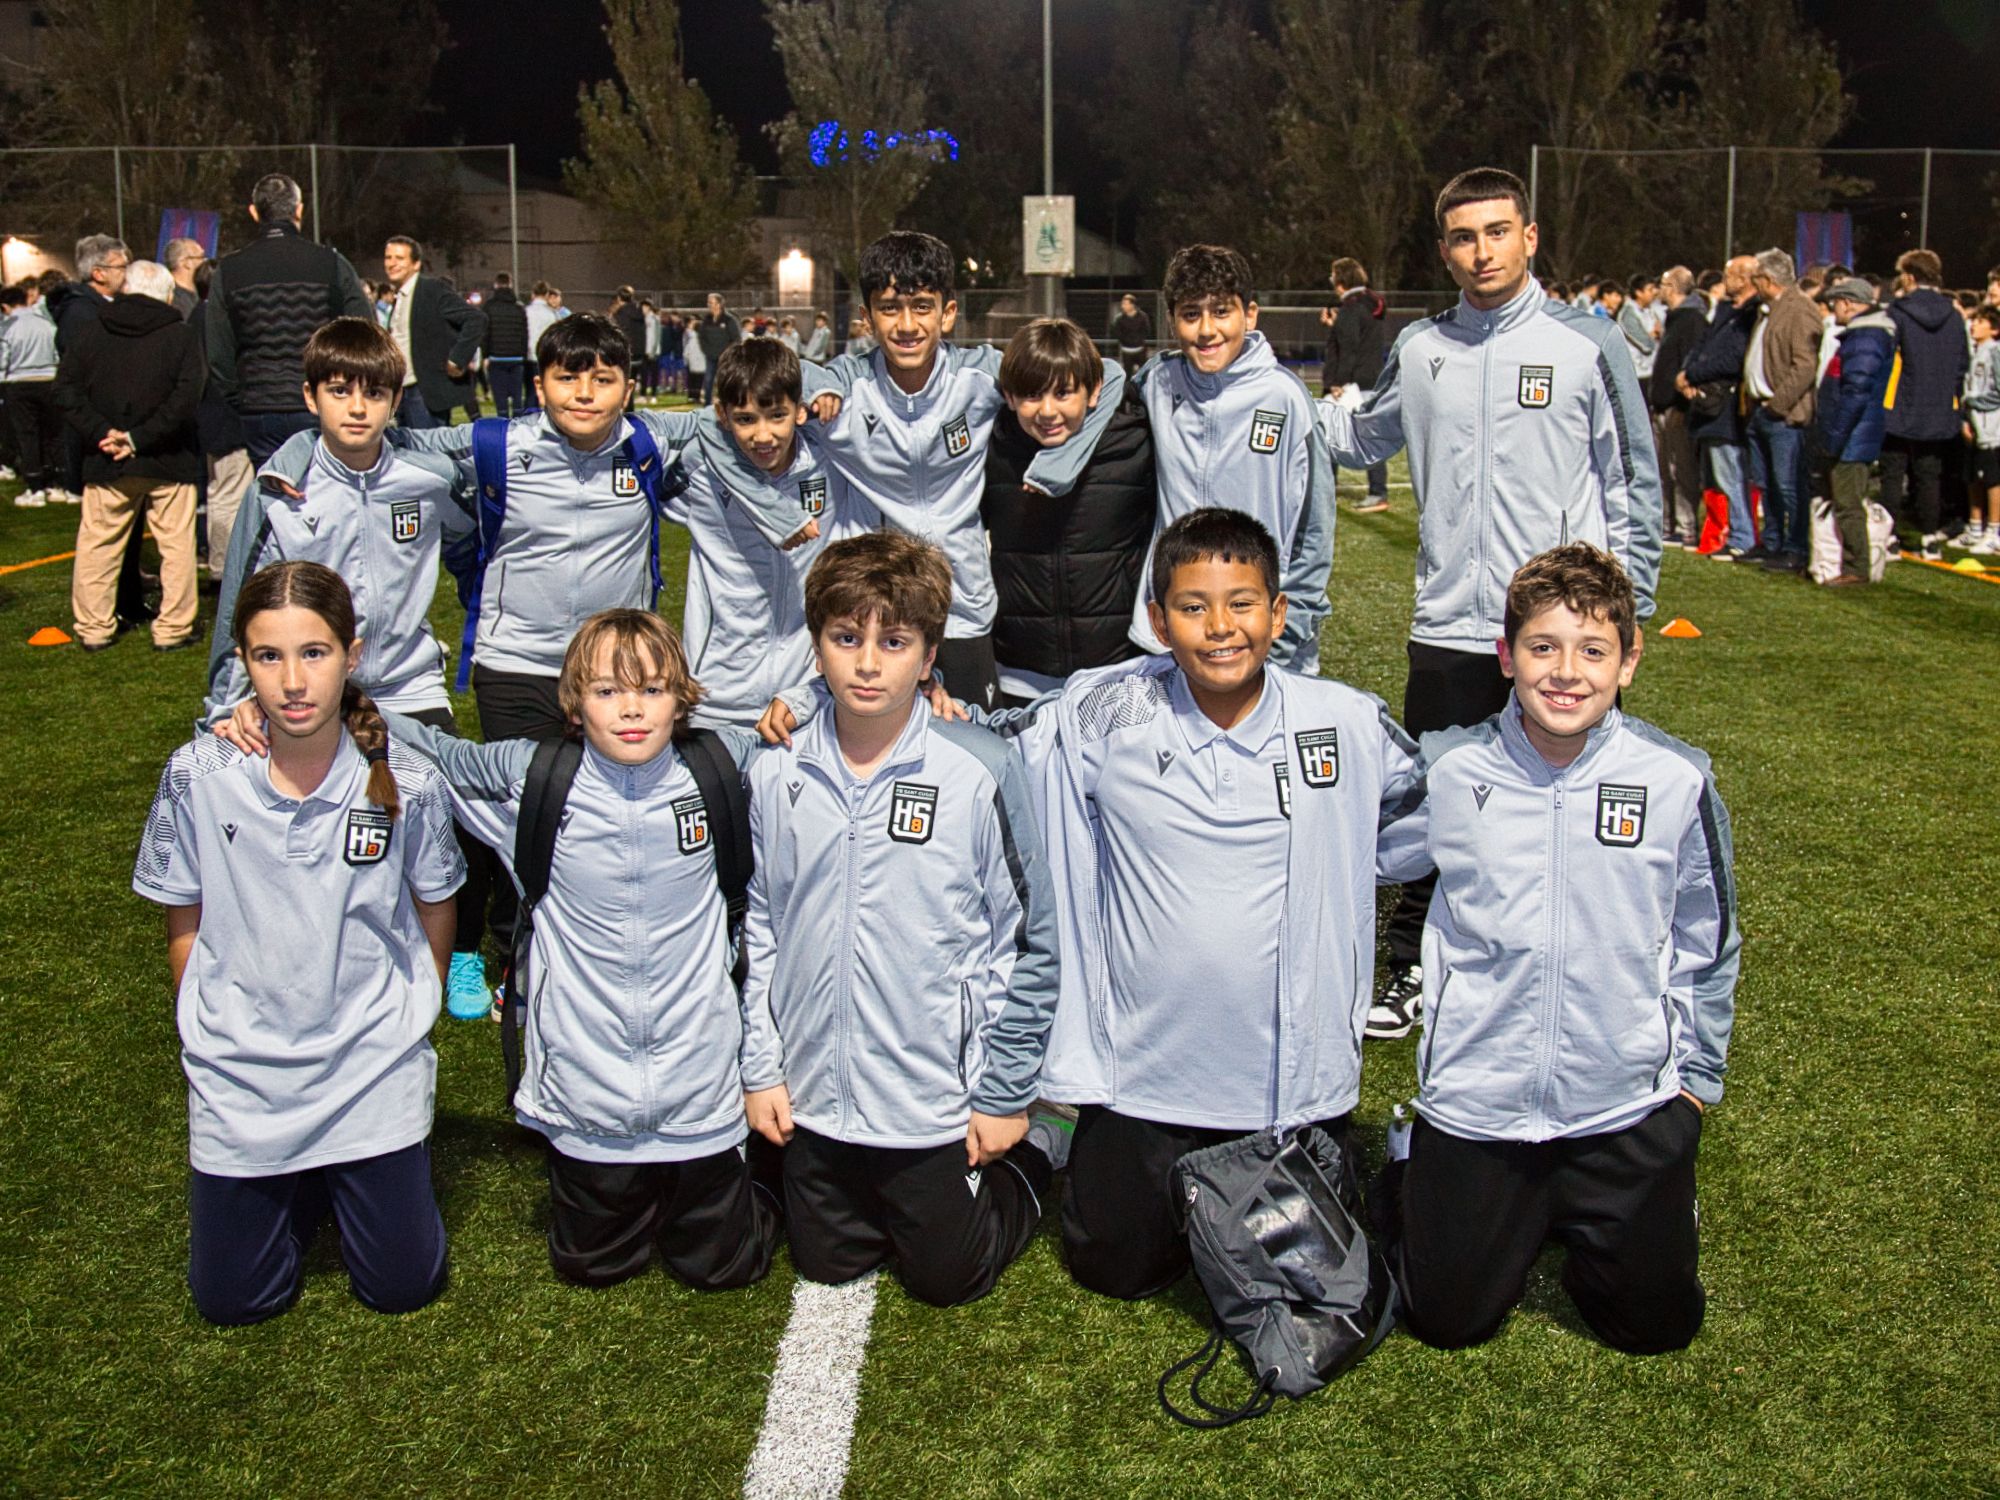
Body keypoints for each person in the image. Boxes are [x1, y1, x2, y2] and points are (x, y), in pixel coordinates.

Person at [1009, 508, 1421, 1300]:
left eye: (1243, 603)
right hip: (1143, 1072)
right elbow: (1010, 746)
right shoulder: (1112, 711)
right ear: (1159, 622)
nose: (1221, 627)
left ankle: (1409, 1165)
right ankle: (1071, 1141)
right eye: (1193, 607)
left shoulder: (1341, 720)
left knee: (1300, 1290)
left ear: (1279, 612)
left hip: (1285, 1079)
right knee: (1113, 1269)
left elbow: (1431, 810)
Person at [1316, 166, 1662, 1039]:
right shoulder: (1422, 347)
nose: (1483, 251)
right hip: (1448, 624)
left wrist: (1626, 616)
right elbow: (1363, 436)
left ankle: (1578, 975)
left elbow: (1632, 480)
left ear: (1529, 237)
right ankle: (1412, 967)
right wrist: (1274, 391)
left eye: (1498, 232)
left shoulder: (1588, 343)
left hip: (1561, 632)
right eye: (1465, 237)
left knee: (1565, 803)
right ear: (1445, 250)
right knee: (1439, 801)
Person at [1379, 543, 1738, 1356]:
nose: (1567, 672)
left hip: (1623, 1103)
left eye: (1593, 650)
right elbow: (1343, 850)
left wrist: (1694, 1087)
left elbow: (1708, 937)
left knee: (1655, 1328)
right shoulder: (1450, 769)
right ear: (1506, 657)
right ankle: (1415, 1166)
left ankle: (1628, 1211)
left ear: (1630, 661)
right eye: (1543, 647)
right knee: (1445, 1321)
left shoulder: (1676, 779)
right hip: (1480, 1099)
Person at [355, 612, 777, 1292]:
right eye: (607, 691)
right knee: (591, 1267)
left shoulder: (724, 762)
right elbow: (436, 752)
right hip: (585, 1089)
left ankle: (759, 1176)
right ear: (575, 704)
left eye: (653, 689)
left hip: (703, 1083)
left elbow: (828, 730)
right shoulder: (533, 777)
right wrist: (343, 706)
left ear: (682, 698)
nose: (632, 709)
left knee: (725, 1269)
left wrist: (915, 702)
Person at [134, 559, 464, 1325]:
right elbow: (184, 915)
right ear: (242, 662)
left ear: (352, 655)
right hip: (243, 1073)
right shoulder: (198, 773)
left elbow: (435, 901)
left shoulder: (405, 778)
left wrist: (414, 1007)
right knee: (233, 1302)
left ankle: (343, 1168)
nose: (291, 681)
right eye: (268, 655)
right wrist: (206, 1021)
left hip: (369, 1065)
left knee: (403, 1287)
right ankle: (303, 1179)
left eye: (314, 652)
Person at [740, 531, 1063, 1307]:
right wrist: (762, 1069)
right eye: (845, 638)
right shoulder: (774, 767)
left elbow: (1032, 943)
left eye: (894, 643)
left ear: (928, 659)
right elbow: (759, 929)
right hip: (815, 1097)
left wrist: (1003, 1093)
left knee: (948, 1279)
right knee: (825, 1262)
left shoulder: (978, 767)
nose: (867, 663)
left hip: (936, 1100)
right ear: (816, 646)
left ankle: (1047, 1141)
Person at [204, 316, 490, 1019]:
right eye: (340, 391)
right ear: (311, 398)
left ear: (395, 400)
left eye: (374, 393)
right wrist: (224, 703)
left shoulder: (428, 478)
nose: (358, 408)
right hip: (310, 690)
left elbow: (472, 551)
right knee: (303, 819)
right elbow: (242, 599)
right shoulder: (281, 489)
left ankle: (463, 953)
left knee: (460, 810)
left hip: (408, 683)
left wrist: (486, 614)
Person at [808, 230, 1124, 712]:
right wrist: (812, 379)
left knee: (971, 744)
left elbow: (1109, 375)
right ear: (867, 318)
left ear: (948, 312)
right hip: (875, 619)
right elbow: (752, 401)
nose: (907, 324)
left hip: (964, 613)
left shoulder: (982, 377)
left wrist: (1058, 467)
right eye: (890, 308)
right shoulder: (842, 395)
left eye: (922, 306)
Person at [1130, 243, 1333, 676]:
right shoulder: (1156, 383)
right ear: (1172, 320)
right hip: (1174, 637)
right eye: (1191, 314)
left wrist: (1284, 634)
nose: (1207, 330)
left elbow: (1314, 534)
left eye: (1221, 312)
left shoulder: (1285, 398)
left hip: (1263, 641)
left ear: (1250, 315)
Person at [671, 337, 878, 727]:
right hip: (714, 697)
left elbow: (867, 383)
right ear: (722, 415)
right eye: (746, 419)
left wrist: (821, 383)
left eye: (776, 416)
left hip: (806, 694)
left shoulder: (829, 460)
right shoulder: (699, 470)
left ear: (799, 411)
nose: (763, 435)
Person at [981, 317, 1154, 706]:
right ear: (1009, 396)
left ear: (1094, 392)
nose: (1047, 411)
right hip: (1020, 671)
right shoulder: (994, 446)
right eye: (1031, 395)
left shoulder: (1134, 438)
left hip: (1118, 668)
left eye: (1063, 393)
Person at [56, 259, 204, 653]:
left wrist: (103, 432)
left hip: (107, 458)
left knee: (98, 546)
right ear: (169, 296)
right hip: (168, 457)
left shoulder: (90, 332)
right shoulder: (181, 336)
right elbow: (187, 398)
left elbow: (65, 390)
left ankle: (94, 627)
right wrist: (138, 438)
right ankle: (173, 628)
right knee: (176, 546)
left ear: (125, 289)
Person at [205, 176, 374, 465]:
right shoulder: (331, 263)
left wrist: (239, 398)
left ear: (254, 212)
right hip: (320, 402)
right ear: (299, 210)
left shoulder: (229, 270)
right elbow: (364, 333)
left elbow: (218, 351)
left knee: (273, 488)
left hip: (258, 407)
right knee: (325, 485)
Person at [1880, 249, 1971, 560]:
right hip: (1938, 406)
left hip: (1900, 403)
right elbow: (1962, 363)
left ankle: (1889, 537)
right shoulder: (1954, 315)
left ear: (1909, 276)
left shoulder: (1898, 311)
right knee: (1929, 474)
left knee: (1893, 472)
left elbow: (1888, 357)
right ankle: (1930, 538)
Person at [1812, 278, 1897, 586]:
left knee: (1848, 502)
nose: (1832, 309)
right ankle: (1844, 561)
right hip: (1853, 432)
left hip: (1852, 435)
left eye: (1835, 302)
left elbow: (1855, 393)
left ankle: (1856, 567)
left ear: (1848, 303)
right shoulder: (1865, 336)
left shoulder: (1866, 338)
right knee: (1844, 499)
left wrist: (1835, 436)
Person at [1675, 254, 1761, 561]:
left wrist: (1694, 374)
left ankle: (1742, 536)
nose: (1725, 282)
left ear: (1746, 279)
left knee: (1731, 473)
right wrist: (1687, 373)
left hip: (1727, 406)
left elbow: (1733, 358)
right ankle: (1726, 533)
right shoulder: (1727, 310)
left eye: (1730, 275)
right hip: (1709, 405)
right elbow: (1704, 344)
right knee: (1717, 475)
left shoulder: (1750, 314)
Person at [1745, 249, 1822, 573]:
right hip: (1761, 409)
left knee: (1788, 484)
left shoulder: (1800, 308)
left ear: (1767, 279)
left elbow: (1804, 366)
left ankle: (1795, 548)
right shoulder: (1770, 309)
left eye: (1755, 279)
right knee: (1767, 483)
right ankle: (1773, 542)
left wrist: (1778, 404)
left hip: (1784, 414)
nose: (1753, 285)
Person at [187, 260, 253, 569]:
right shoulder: (213, 319)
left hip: (212, 418)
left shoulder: (197, 316)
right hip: (225, 418)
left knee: (221, 492)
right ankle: (224, 566)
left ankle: (221, 562)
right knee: (228, 493)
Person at [381, 236, 486, 429]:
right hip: (401, 389)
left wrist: (457, 359)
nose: (392, 263)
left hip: (424, 391)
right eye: (388, 257)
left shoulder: (431, 289)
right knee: (406, 447)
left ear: (416, 264)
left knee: (427, 447)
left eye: (399, 258)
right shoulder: (399, 297)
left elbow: (476, 319)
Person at [1320, 255, 1389, 513]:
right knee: (1368, 436)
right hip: (1370, 380)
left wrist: (1338, 381)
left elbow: (1347, 349)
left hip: (1352, 384)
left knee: (1329, 433)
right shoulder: (1368, 305)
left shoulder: (1350, 308)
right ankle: (1377, 492)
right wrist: (1335, 325)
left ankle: (1328, 488)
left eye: (1333, 276)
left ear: (1341, 281)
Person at [1649, 267, 1708, 549]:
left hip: (1677, 406)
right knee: (1663, 469)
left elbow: (1691, 361)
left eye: (1662, 284)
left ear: (1672, 287)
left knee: (1681, 469)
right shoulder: (1674, 318)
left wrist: (1684, 398)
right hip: (1662, 403)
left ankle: (1687, 527)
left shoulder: (1692, 319)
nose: (1658, 290)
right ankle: (1668, 524)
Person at [2, 280, 64, 507]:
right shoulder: (46, 323)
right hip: (49, 381)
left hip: (19, 384)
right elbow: (58, 354)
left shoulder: (8, 327)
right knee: (52, 434)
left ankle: (35, 487)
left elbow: (3, 360)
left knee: (27, 435)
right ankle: (56, 484)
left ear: (5, 306)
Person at [1957, 307, 2000, 553]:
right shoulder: (1975, 352)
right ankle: (1975, 528)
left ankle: (1993, 531)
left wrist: (1973, 402)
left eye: (1981, 321)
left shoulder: (1995, 352)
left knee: (1992, 478)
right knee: (1972, 475)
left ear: (1994, 329)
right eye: (1974, 320)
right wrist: (1966, 417)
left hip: (1992, 426)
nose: (1974, 324)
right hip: (1975, 424)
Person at [481, 272, 531, 418]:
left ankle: (503, 426)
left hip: (496, 357)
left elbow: (485, 334)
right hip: (516, 358)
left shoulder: (488, 307)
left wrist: (485, 355)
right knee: (517, 397)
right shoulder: (519, 308)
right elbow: (524, 334)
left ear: (496, 285)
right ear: (510, 285)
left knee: (500, 399)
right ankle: (518, 426)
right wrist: (523, 355)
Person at [696, 293, 740, 404]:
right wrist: (707, 351)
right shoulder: (706, 320)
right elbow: (701, 337)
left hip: (725, 358)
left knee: (725, 381)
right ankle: (707, 404)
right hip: (710, 357)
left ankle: (726, 403)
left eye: (712, 302)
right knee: (708, 380)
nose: (709, 305)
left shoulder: (729, 320)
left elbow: (736, 339)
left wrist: (727, 354)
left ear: (719, 304)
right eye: (709, 303)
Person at [1110, 293, 1153, 378]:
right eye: (1123, 304)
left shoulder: (1142, 317)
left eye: (1125, 304)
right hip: (1126, 351)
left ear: (1132, 305)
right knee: (1127, 375)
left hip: (1140, 349)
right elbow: (1116, 332)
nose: (1123, 306)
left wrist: (1138, 340)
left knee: (1143, 375)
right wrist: (1126, 340)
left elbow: (1147, 330)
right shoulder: (1119, 319)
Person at [163, 238, 205, 320]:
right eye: (201, 257)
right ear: (186, 262)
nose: (205, 262)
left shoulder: (202, 292)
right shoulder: (169, 297)